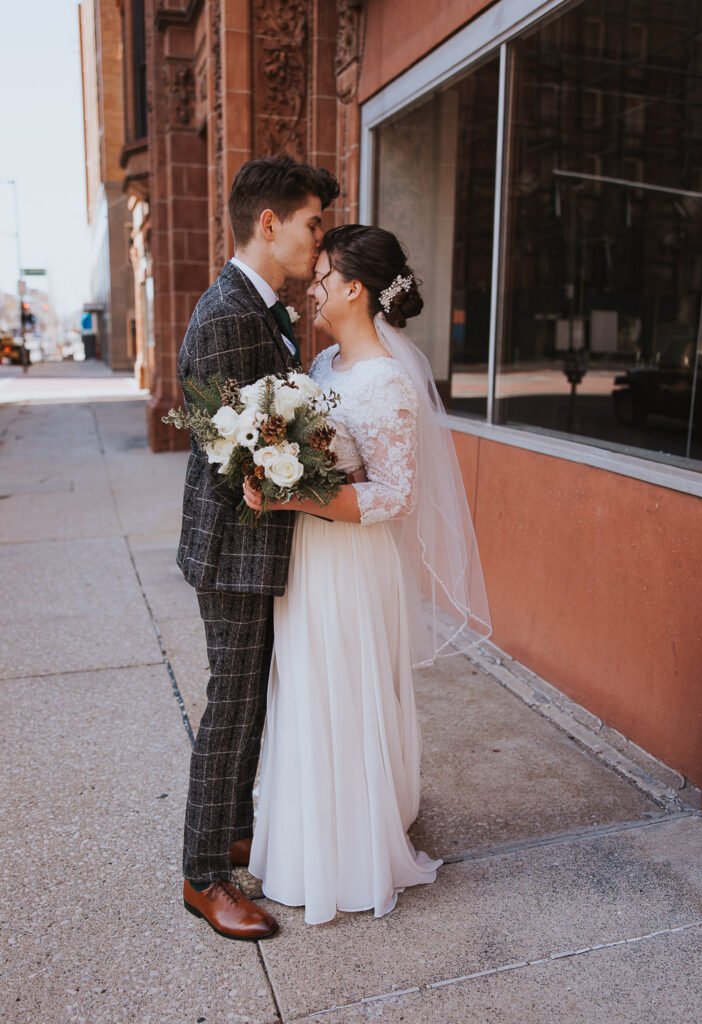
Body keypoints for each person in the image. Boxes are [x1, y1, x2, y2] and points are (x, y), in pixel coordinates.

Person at [243, 224, 491, 924]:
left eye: (320, 277)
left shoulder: (386, 381)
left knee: (341, 692)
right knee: (305, 688)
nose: (310, 288)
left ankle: (346, 858)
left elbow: (392, 495)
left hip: (351, 562)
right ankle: (303, 840)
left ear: (353, 288)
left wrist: (293, 492)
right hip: (311, 555)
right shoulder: (322, 368)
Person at [177, 156, 339, 940]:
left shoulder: (258, 305)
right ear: (268, 223)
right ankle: (204, 874)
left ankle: (234, 831)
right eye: (313, 222)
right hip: (232, 547)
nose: (321, 238)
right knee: (231, 709)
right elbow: (224, 442)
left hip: (254, 544)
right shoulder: (226, 313)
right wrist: (306, 470)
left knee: (247, 708)